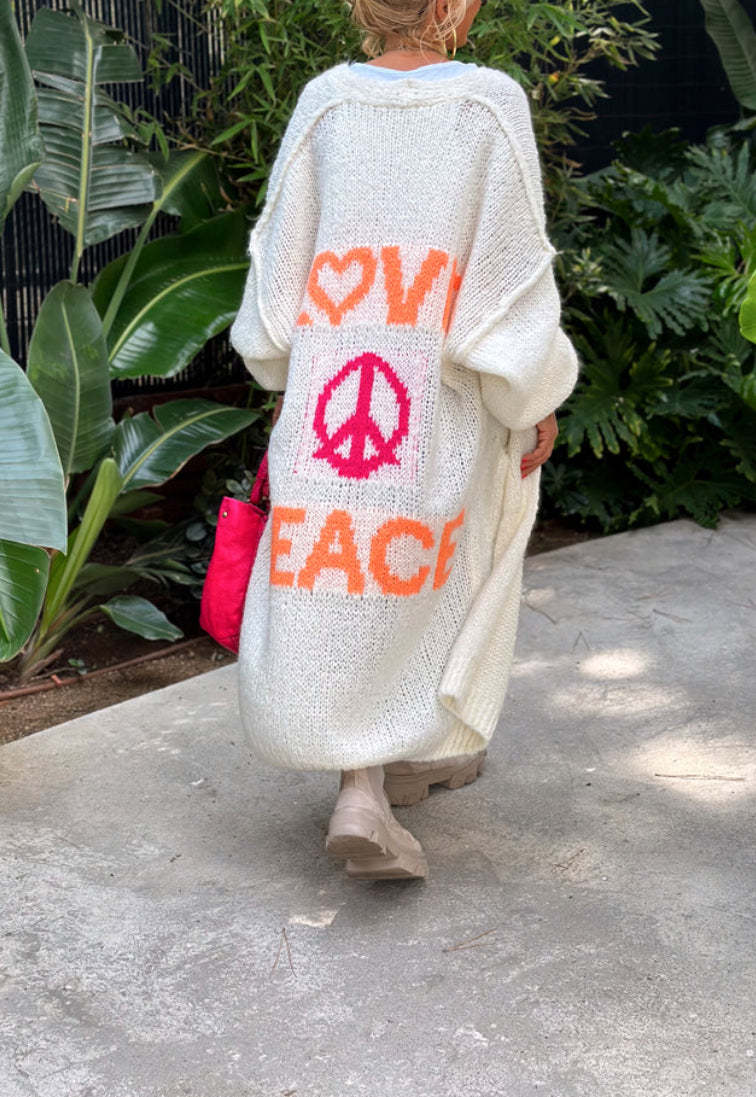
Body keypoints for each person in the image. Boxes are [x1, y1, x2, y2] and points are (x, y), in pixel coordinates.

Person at [229, 0, 579, 881]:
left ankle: (379, 773)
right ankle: (374, 780)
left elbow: (277, 274)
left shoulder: (326, 103)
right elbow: (507, 286)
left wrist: (286, 369)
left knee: (344, 574)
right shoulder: (489, 104)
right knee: (429, 565)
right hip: (435, 396)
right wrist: (533, 395)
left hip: (334, 389)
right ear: (457, 5)